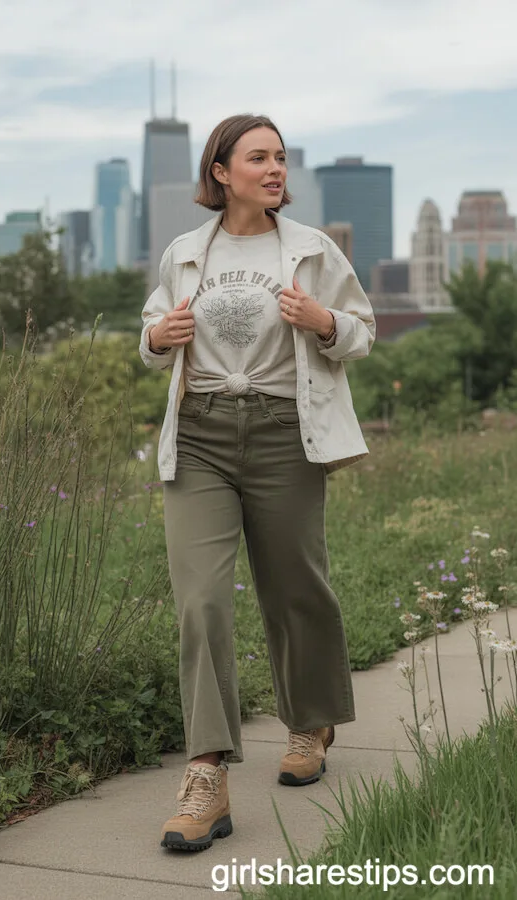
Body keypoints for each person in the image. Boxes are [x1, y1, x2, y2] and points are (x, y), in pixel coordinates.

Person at [138, 113, 376, 853]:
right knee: (202, 600)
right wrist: (157, 337)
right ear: (221, 171)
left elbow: (361, 331)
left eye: (280, 158)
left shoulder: (310, 250)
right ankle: (206, 773)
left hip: (283, 435)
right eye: (259, 157)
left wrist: (323, 319)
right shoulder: (185, 253)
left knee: (295, 586)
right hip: (202, 431)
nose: (275, 169)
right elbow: (150, 335)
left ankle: (310, 722)